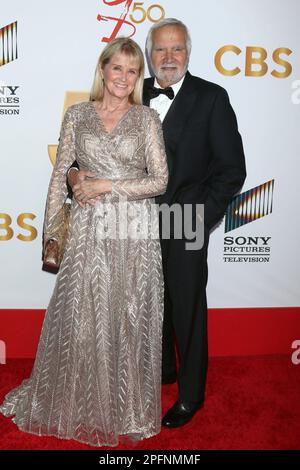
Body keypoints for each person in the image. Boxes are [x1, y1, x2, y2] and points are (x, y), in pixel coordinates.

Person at [68, 19, 247, 429]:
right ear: (148, 55)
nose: (168, 58)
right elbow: (96, 147)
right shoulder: (132, 90)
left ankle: (190, 394)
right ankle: (162, 370)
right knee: (144, 301)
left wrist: (198, 217)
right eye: (160, 50)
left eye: (177, 49)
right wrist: (75, 174)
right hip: (129, 220)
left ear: (188, 53)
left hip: (184, 218)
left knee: (186, 307)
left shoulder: (212, 98)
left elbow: (231, 170)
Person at [0, 38, 168, 447]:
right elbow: (61, 174)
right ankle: (80, 401)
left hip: (132, 230)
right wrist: (54, 232)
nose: (123, 79)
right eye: (117, 69)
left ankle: (127, 408)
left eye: (132, 71)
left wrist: (105, 183)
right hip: (90, 227)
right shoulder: (77, 115)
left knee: (127, 315)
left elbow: (160, 181)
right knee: (83, 311)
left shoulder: (147, 119)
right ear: (103, 69)